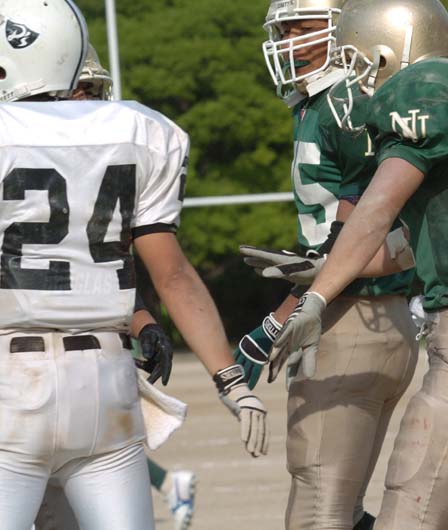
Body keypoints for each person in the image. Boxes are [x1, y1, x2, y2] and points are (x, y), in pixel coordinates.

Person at [271, 1, 448, 528]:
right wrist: (329, 269)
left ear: (386, 49)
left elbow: (376, 209)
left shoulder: (426, 84)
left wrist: (318, 298)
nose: (355, 78)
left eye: (355, 60)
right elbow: (418, 241)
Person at [0, 2, 267, 530]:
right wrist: (231, 379)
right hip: (106, 390)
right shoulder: (141, 129)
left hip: (12, 384)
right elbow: (173, 275)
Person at [235, 1, 418, 528]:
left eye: (304, 27)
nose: (288, 41)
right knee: (343, 508)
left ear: (349, 32)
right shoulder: (320, 102)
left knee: (316, 513)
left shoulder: (346, 101)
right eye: (283, 30)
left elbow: (358, 231)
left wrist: (278, 319)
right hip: (371, 317)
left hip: (348, 318)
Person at [31, 45, 198, 530]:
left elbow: (102, 271)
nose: (87, 102)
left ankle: (167, 484)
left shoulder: (97, 165)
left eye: (91, 90)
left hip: (78, 367)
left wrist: (144, 323)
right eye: (75, 91)